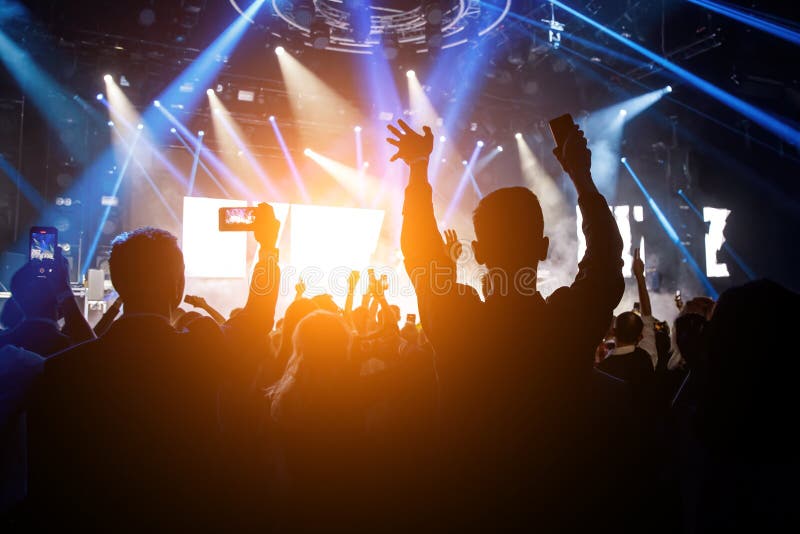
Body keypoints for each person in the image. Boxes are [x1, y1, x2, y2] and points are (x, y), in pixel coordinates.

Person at [388, 118, 624, 527]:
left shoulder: (457, 321)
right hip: (561, 507)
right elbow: (605, 258)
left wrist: (417, 169)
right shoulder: (568, 323)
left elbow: (421, 251)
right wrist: (581, 177)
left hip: (470, 508)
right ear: (543, 247)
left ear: (478, 252)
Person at [26, 204, 282, 528]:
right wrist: (268, 249)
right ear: (178, 286)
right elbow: (256, 319)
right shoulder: (201, 350)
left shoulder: (63, 369)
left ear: (118, 285)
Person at [0, 252, 94, 356]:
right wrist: (65, 291)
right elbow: (94, 353)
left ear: (16, 298)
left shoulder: (3, 344)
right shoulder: (69, 348)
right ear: (59, 304)